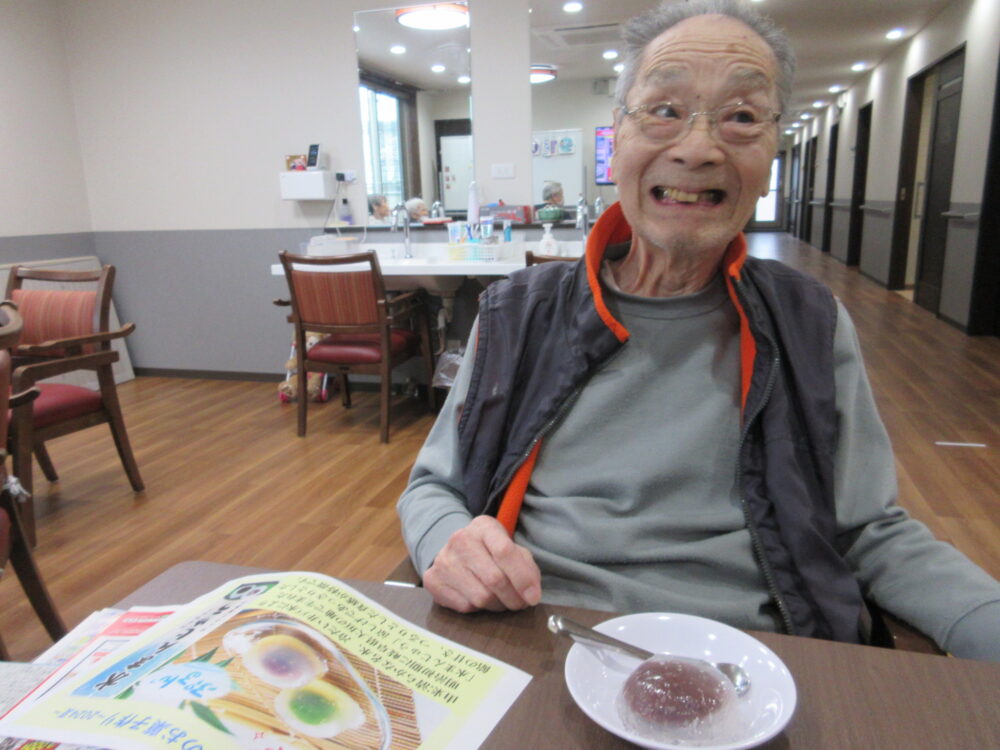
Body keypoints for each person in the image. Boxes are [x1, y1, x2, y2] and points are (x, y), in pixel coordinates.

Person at [396, 0, 1000, 660]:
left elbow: (869, 530)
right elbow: (435, 488)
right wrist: (446, 544)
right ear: (618, 135)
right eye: (665, 110)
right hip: (540, 636)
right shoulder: (521, 311)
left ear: (774, 150)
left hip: (754, 658)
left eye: (741, 117)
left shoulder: (808, 323)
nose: (697, 148)